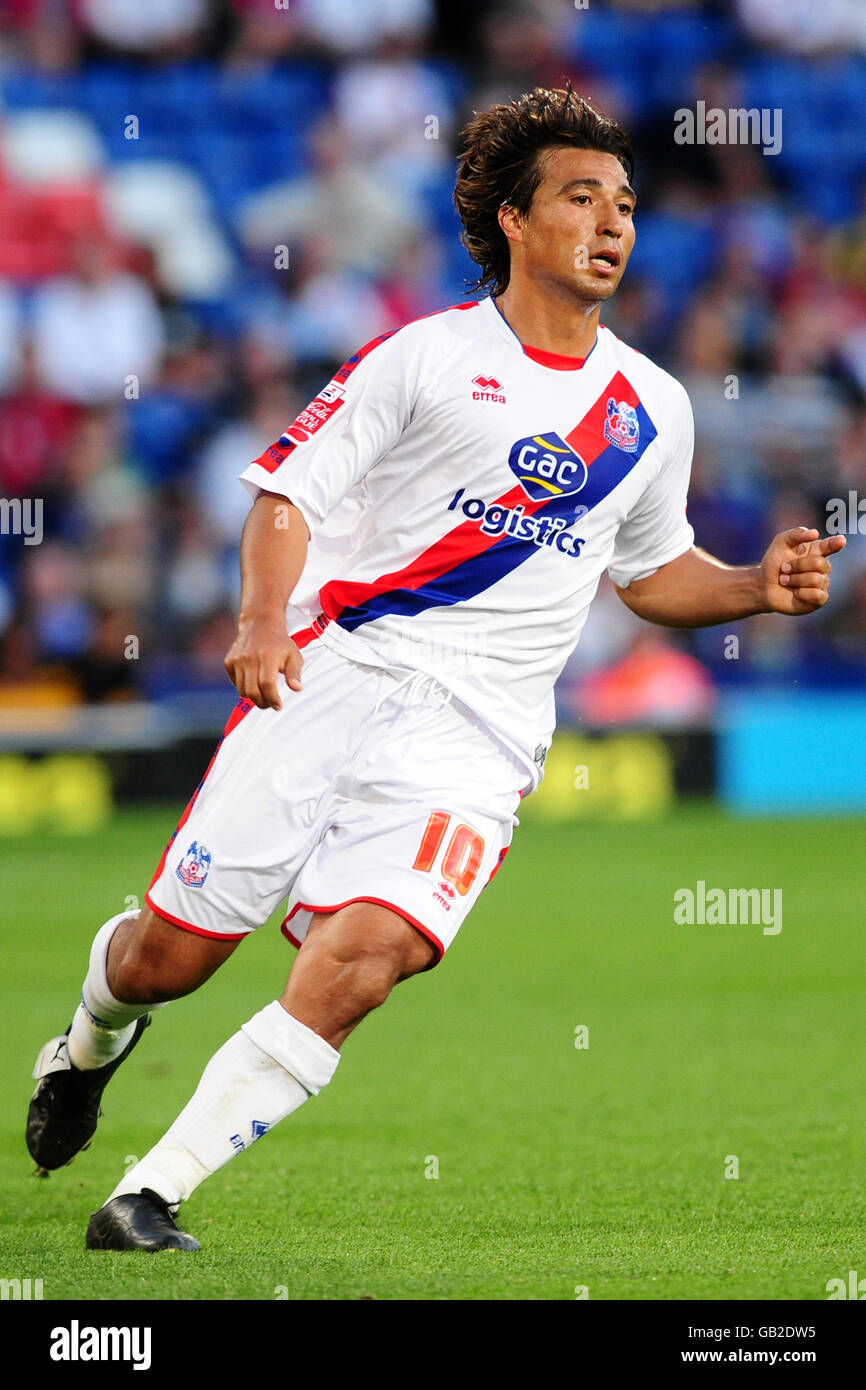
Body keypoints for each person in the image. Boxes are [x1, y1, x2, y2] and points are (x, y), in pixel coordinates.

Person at [26, 86, 845, 1251]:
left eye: (622, 203)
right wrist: (261, 621)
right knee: (169, 960)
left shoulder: (651, 409)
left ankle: (149, 1193)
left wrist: (751, 585)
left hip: (479, 737)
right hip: (332, 676)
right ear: (513, 219)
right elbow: (285, 491)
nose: (611, 224)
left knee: (366, 961)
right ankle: (91, 1041)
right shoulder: (423, 356)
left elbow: (652, 570)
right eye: (579, 198)